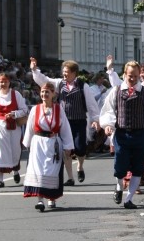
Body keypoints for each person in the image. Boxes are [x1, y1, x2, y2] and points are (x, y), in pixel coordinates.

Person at [99, 61, 144, 209]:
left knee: (138, 168)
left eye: (135, 76)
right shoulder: (116, 91)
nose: (132, 78)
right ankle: (119, 186)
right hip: (122, 134)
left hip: (141, 134)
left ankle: (128, 199)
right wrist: (108, 125)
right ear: (124, 75)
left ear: (139, 75)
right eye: (129, 75)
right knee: (120, 166)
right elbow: (108, 110)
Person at [30, 58, 100, 186]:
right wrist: (35, 70)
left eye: (67, 72)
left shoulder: (82, 86)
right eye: (63, 71)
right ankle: (70, 178)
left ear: (74, 73)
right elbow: (45, 81)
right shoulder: (59, 83)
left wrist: (95, 119)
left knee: (80, 149)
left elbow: (91, 104)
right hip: (63, 122)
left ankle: (80, 166)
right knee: (65, 149)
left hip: (79, 121)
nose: (64, 74)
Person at [23, 82, 74, 212]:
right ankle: (40, 200)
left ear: (53, 94)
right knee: (39, 171)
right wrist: (27, 143)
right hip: (38, 143)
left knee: (52, 171)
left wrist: (68, 146)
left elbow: (65, 127)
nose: (44, 94)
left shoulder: (58, 109)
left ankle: (52, 198)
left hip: (54, 143)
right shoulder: (35, 109)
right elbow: (29, 126)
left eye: (47, 92)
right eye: (42, 92)